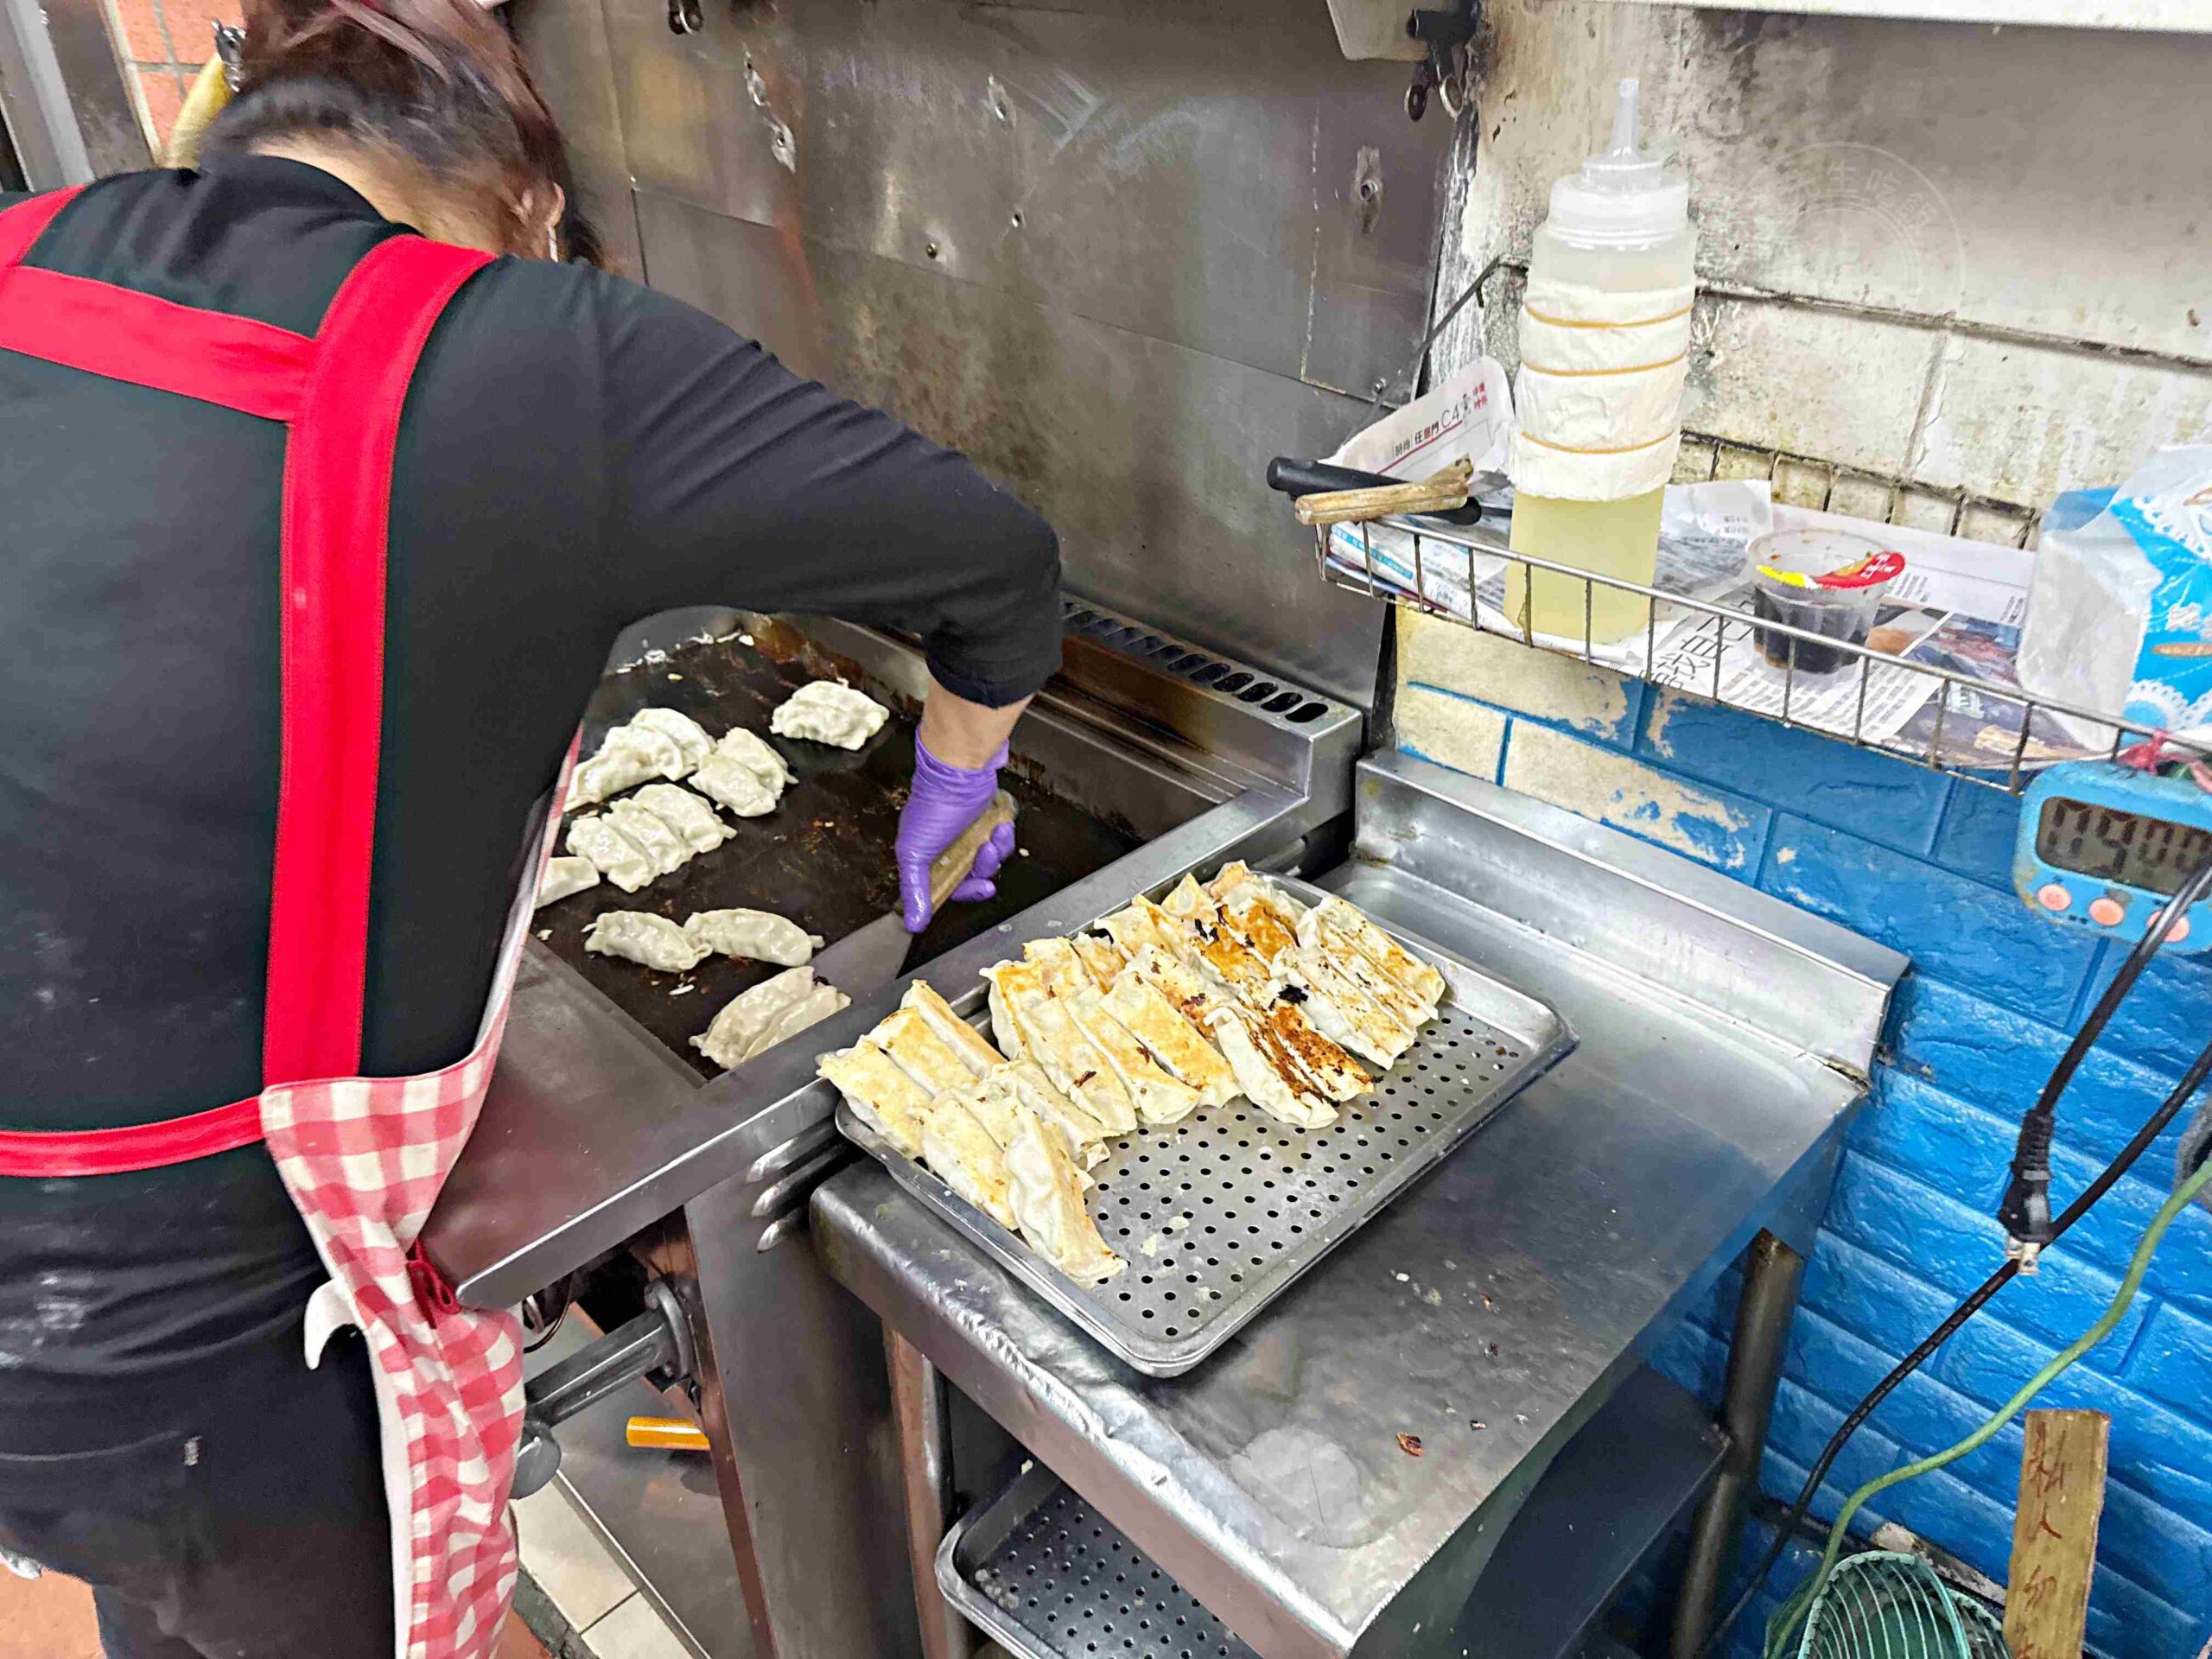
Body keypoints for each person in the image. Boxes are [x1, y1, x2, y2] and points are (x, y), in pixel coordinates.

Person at [0, 0, 1060, 1651]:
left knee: (150, 1589)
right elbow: (993, 565)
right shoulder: (515, 348)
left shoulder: (24, 253)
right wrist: (961, 763)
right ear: (515, 201)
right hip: (197, 1319)